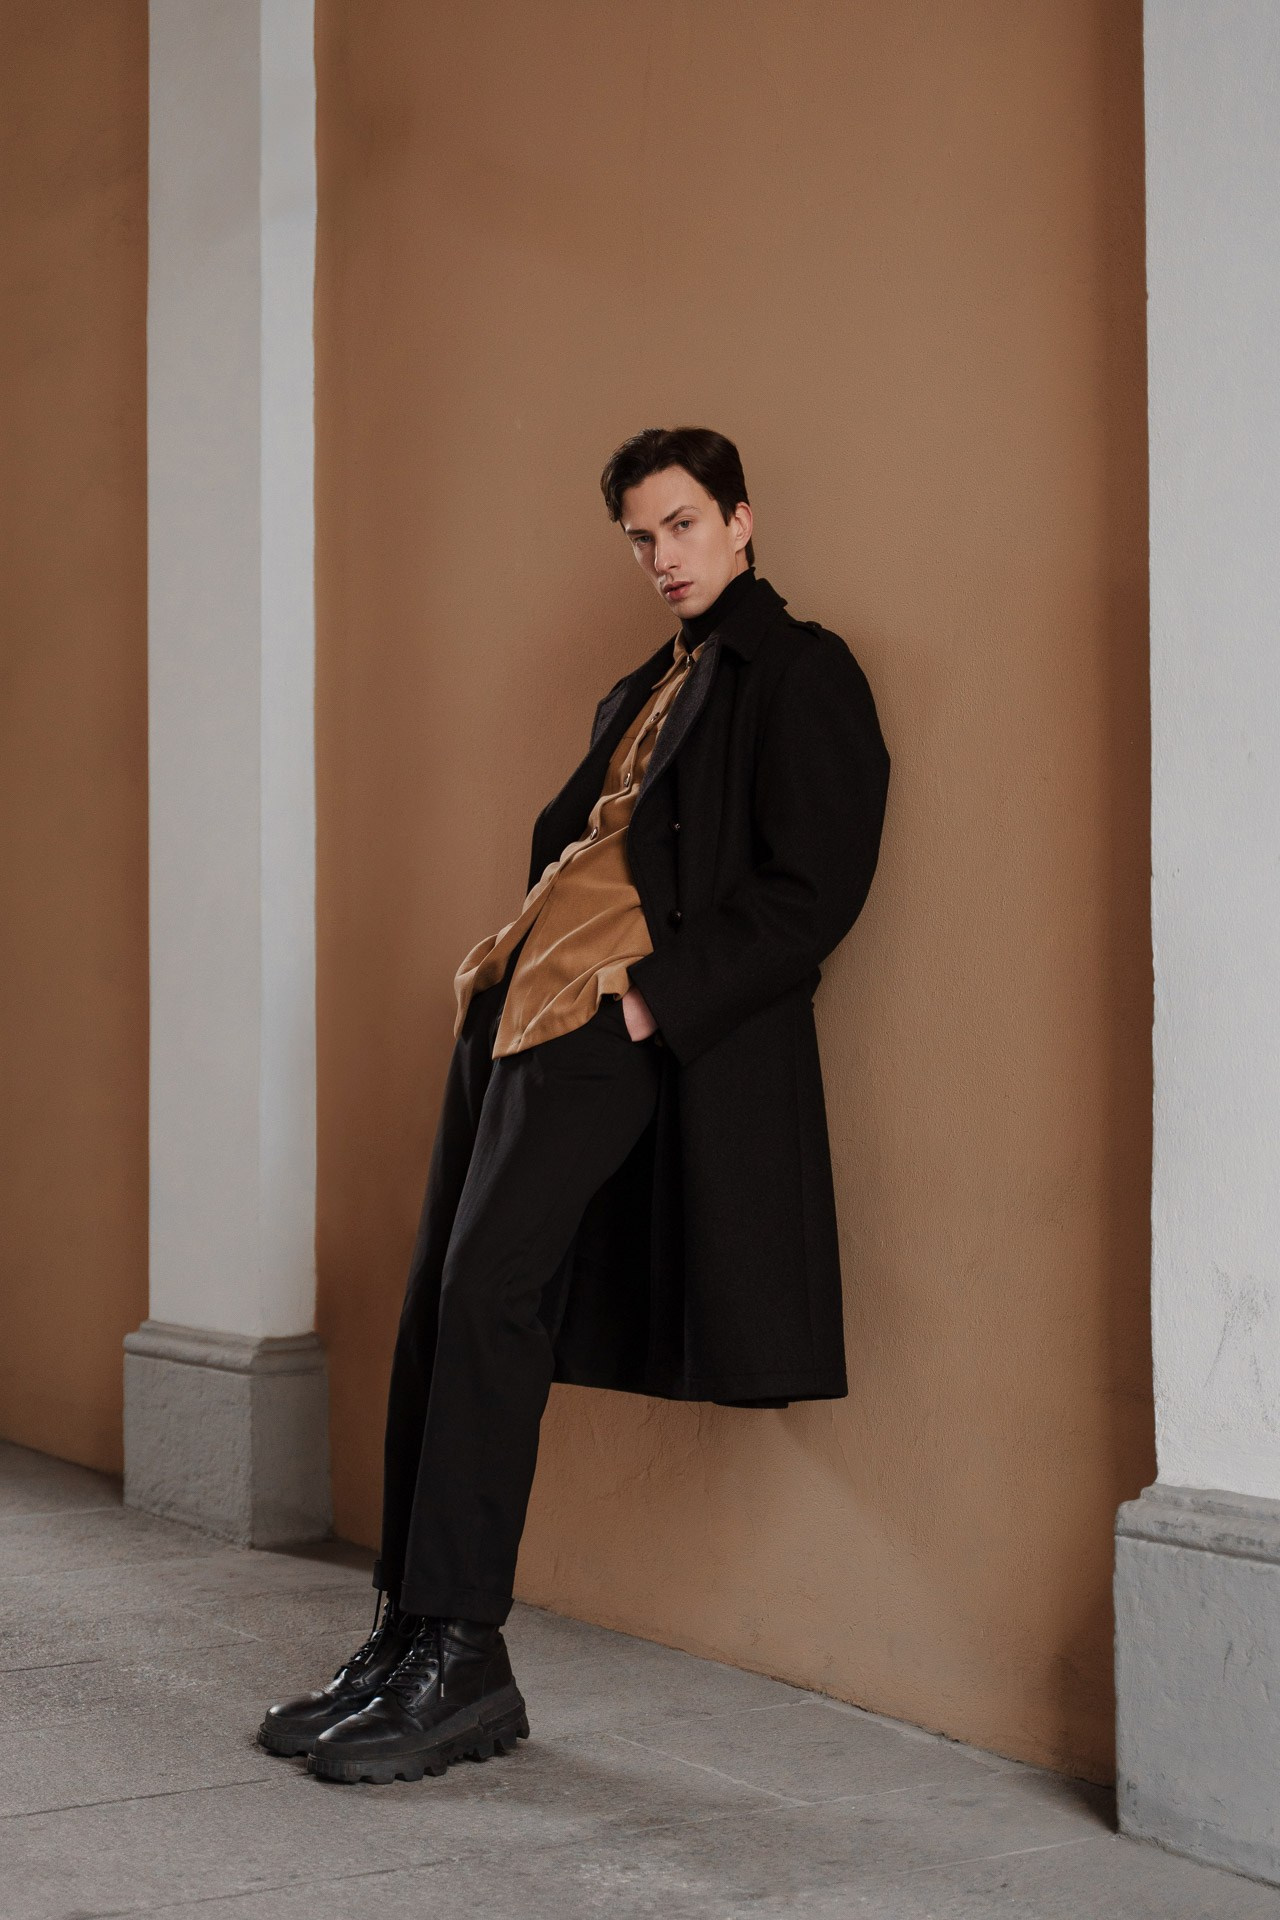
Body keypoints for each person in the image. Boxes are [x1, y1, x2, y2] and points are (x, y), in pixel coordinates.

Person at [259, 426, 892, 1785]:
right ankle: (405, 1631)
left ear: (739, 519)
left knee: (493, 1290)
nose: (662, 557)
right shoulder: (639, 692)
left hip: (621, 1013)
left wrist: (652, 1000)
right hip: (519, 1010)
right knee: (442, 1293)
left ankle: (466, 1659)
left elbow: (815, 889)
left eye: (680, 525)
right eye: (641, 538)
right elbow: (584, 843)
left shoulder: (802, 672)